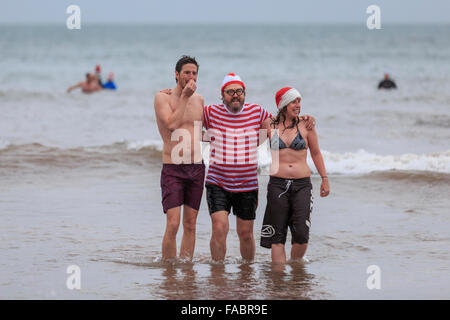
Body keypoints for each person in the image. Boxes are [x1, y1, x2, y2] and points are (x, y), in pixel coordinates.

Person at [203, 75, 316, 262]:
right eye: (230, 92)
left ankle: (246, 272)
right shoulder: (209, 112)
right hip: (217, 181)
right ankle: (218, 272)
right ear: (222, 95)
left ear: (244, 93)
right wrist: (175, 95)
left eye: (239, 91)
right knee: (220, 228)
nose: (235, 95)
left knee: (245, 233)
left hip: (247, 184)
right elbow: (187, 118)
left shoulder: (257, 112)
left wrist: (304, 118)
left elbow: (281, 123)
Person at [260, 87, 329, 263]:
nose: (298, 105)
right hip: (277, 184)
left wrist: (324, 178)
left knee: (301, 234)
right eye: (294, 101)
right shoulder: (269, 124)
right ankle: (279, 280)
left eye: (299, 101)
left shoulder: (306, 125)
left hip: (302, 185)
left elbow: (316, 153)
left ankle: (295, 265)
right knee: (277, 237)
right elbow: (253, 144)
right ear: (283, 104)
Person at [154, 56, 205, 261]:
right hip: (173, 168)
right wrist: (183, 96)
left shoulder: (200, 99)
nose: (190, 76)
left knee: (191, 224)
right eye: (186, 72)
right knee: (173, 224)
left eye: (194, 73)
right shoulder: (162, 98)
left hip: (197, 168)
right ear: (176, 74)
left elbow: (206, 130)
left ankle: (186, 268)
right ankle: (168, 269)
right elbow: (172, 125)